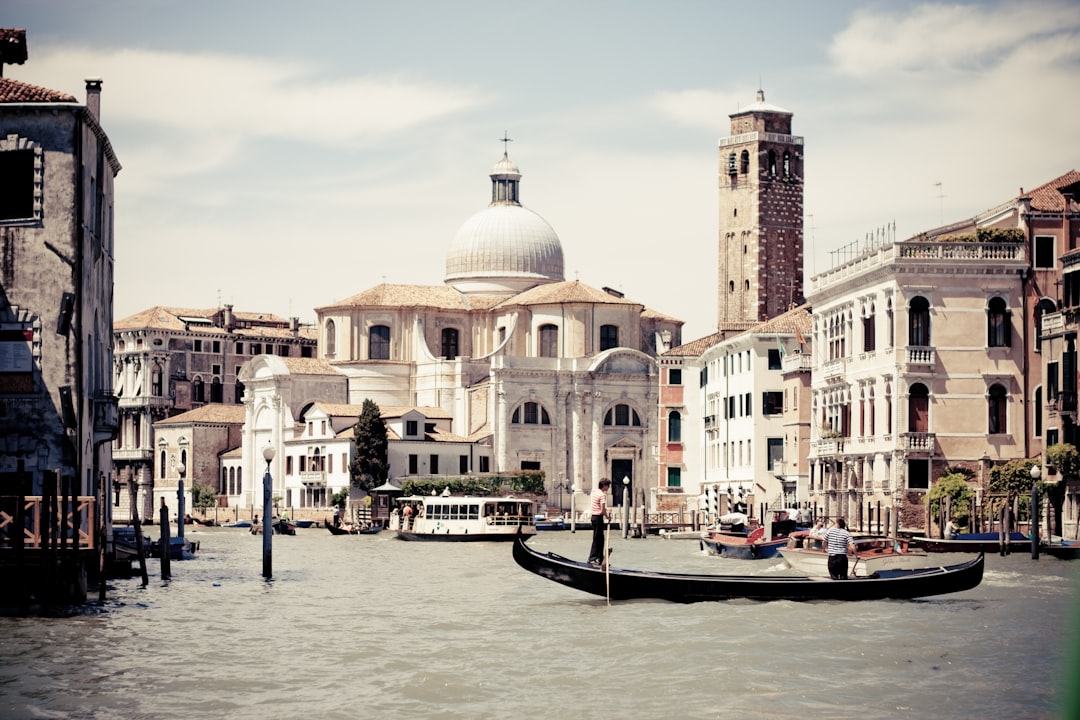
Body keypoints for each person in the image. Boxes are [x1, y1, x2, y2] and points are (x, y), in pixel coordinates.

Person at [587, 478, 612, 566]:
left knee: (600, 539)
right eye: (608, 485)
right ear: (604, 486)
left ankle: (600, 559)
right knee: (597, 538)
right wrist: (608, 516)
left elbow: (598, 506)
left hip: (594, 517)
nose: (608, 487)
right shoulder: (602, 495)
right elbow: (602, 510)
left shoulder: (594, 492)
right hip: (598, 517)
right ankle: (592, 558)